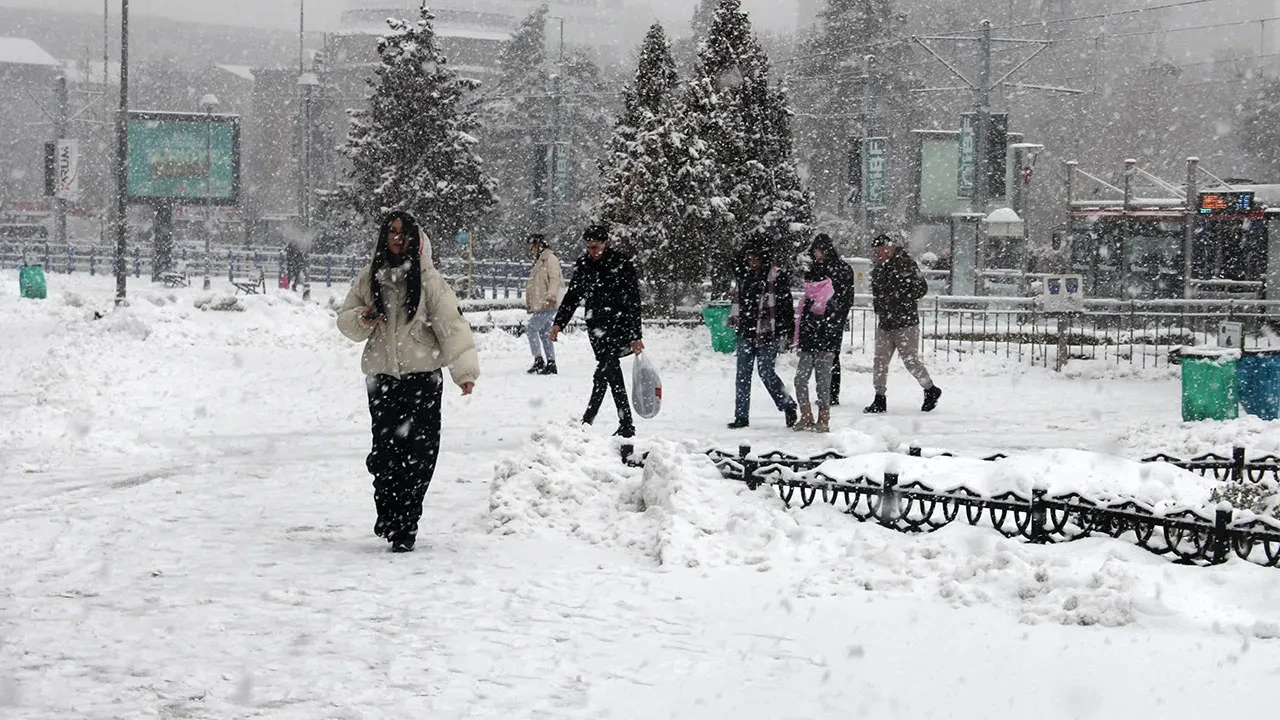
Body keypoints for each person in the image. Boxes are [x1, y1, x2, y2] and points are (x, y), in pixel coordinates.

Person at [336, 211, 479, 553]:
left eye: (404, 233)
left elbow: (452, 327)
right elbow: (346, 323)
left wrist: (465, 372)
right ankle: (388, 510)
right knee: (385, 455)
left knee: (419, 454)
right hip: (382, 378)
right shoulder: (371, 277)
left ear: (416, 240)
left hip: (423, 380)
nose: (397, 238)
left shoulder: (430, 282)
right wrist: (363, 317)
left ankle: (406, 523)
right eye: (392, 232)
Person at [550, 223, 644, 438]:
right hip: (596, 324)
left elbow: (633, 301)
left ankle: (624, 422)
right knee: (604, 369)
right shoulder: (584, 265)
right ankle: (590, 420)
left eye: (596, 246)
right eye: (589, 246)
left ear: (605, 243)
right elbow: (573, 296)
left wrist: (636, 334)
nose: (593, 251)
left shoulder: (621, 264)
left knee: (610, 367)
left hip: (618, 323)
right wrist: (559, 323)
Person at [865, 234, 941, 414]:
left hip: (905, 322)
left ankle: (930, 389)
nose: (878, 254)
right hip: (886, 321)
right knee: (880, 361)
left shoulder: (906, 265)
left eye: (881, 250)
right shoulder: (879, 269)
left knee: (910, 360)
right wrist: (881, 307)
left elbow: (921, 288)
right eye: (876, 251)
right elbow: (877, 293)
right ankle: (879, 398)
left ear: (890, 248)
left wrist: (902, 298)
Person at [727, 243, 798, 429]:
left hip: (768, 332)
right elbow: (734, 262)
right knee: (742, 374)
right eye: (749, 259)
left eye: (755, 259)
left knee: (766, 371)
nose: (751, 263)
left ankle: (787, 404)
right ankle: (741, 416)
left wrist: (789, 330)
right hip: (746, 330)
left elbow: (785, 304)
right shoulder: (745, 274)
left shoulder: (776, 277)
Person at [793, 234, 856, 432]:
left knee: (821, 378)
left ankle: (820, 416)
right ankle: (812, 415)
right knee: (811, 378)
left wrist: (829, 320)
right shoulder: (827, 272)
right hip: (818, 331)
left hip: (823, 332)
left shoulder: (838, 273)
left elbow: (843, 301)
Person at [524, 233, 565, 375]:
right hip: (542, 302)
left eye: (532, 245)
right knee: (543, 331)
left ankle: (538, 359)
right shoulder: (540, 260)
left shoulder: (550, 259)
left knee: (531, 328)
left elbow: (555, 279)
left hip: (548, 302)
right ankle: (551, 363)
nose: (530, 248)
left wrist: (551, 296)